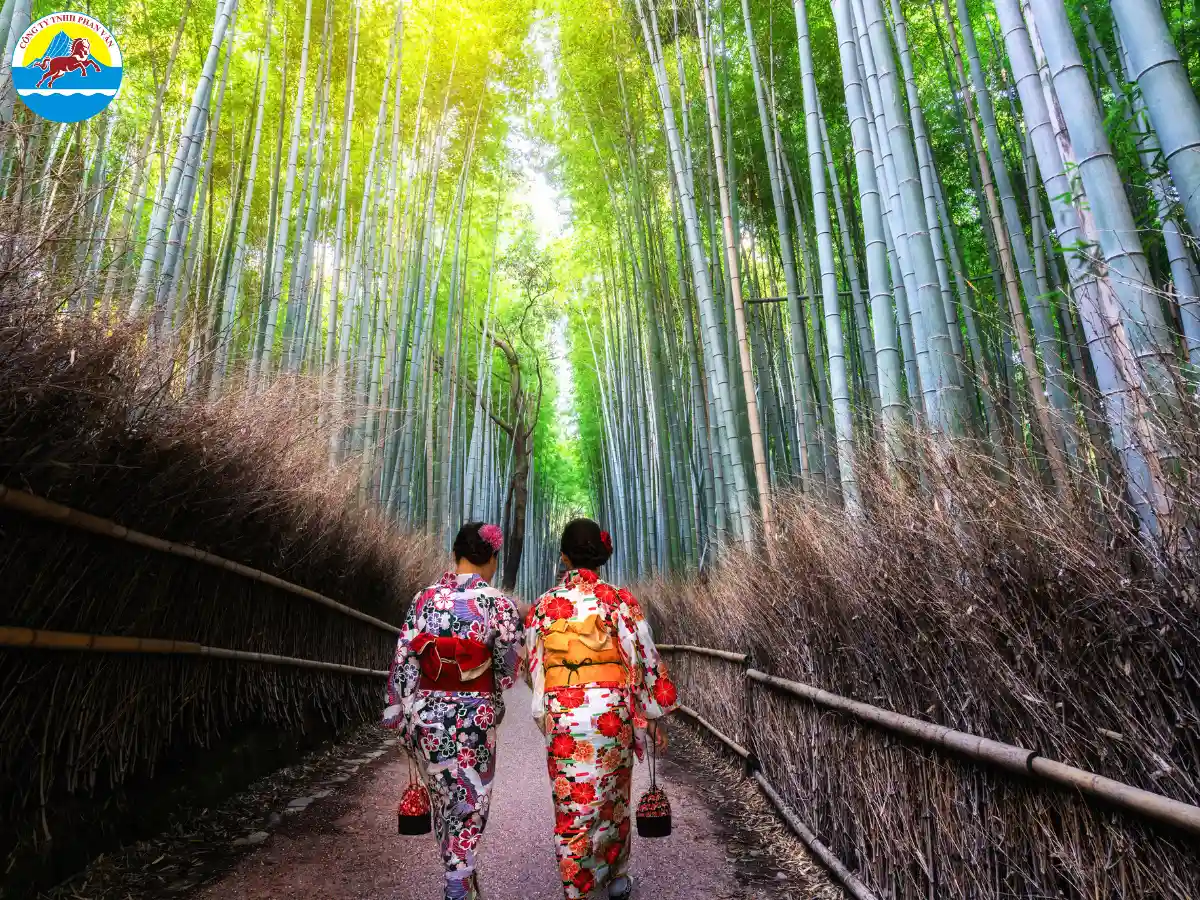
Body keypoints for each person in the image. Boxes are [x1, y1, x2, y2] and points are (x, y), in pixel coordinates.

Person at [525, 518, 678, 900]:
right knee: (611, 799)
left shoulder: (544, 606)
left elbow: (533, 664)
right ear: (601, 556)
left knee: (571, 801)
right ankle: (614, 879)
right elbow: (643, 655)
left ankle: (577, 887)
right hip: (610, 712)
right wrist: (652, 714)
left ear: (563, 556)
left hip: (565, 710)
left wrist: (549, 705)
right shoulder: (617, 600)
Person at [383, 522, 521, 900]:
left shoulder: (423, 599)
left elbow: (405, 659)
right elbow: (509, 672)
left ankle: (459, 873)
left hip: (428, 714)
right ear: (491, 558)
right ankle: (458, 883)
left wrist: (398, 710)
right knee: (471, 801)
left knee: (446, 798)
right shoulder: (500, 604)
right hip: (474, 717)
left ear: (455, 554)